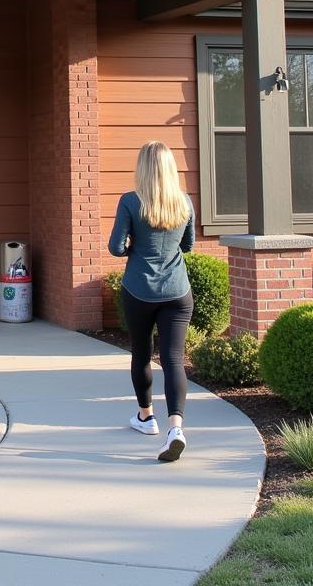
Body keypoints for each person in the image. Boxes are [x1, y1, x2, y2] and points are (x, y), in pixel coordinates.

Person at [108, 140, 195, 462]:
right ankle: (176, 427)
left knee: (142, 353)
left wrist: (135, 250)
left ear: (142, 168)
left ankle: (146, 417)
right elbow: (187, 246)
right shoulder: (184, 202)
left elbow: (115, 248)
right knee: (173, 359)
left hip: (139, 288)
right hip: (177, 291)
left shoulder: (131, 202)